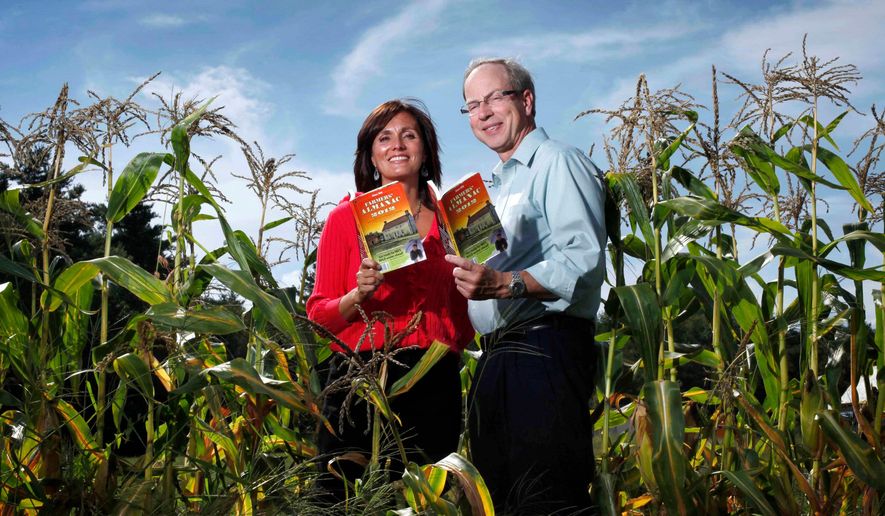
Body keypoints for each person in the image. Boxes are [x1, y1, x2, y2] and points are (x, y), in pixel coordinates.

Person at [445, 58, 606, 513]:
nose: (484, 112)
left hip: (545, 349)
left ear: (526, 100)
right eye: (472, 105)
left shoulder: (558, 162)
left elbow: (583, 260)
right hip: (496, 357)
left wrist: (501, 283)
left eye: (495, 97)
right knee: (504, 500)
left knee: (548, 498)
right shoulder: (492, 188)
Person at [307, 99, 474, 499]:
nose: (397, 144)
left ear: (426, 149)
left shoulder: (456, 222)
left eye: (409, 135)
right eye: (385, 137)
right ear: (371, 155)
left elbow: (467, 323)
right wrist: (357, 294)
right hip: (360, 379)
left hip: (435, 381)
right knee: (338, 499)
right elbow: (318, 317)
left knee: (424, 501)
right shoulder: (344, 219)